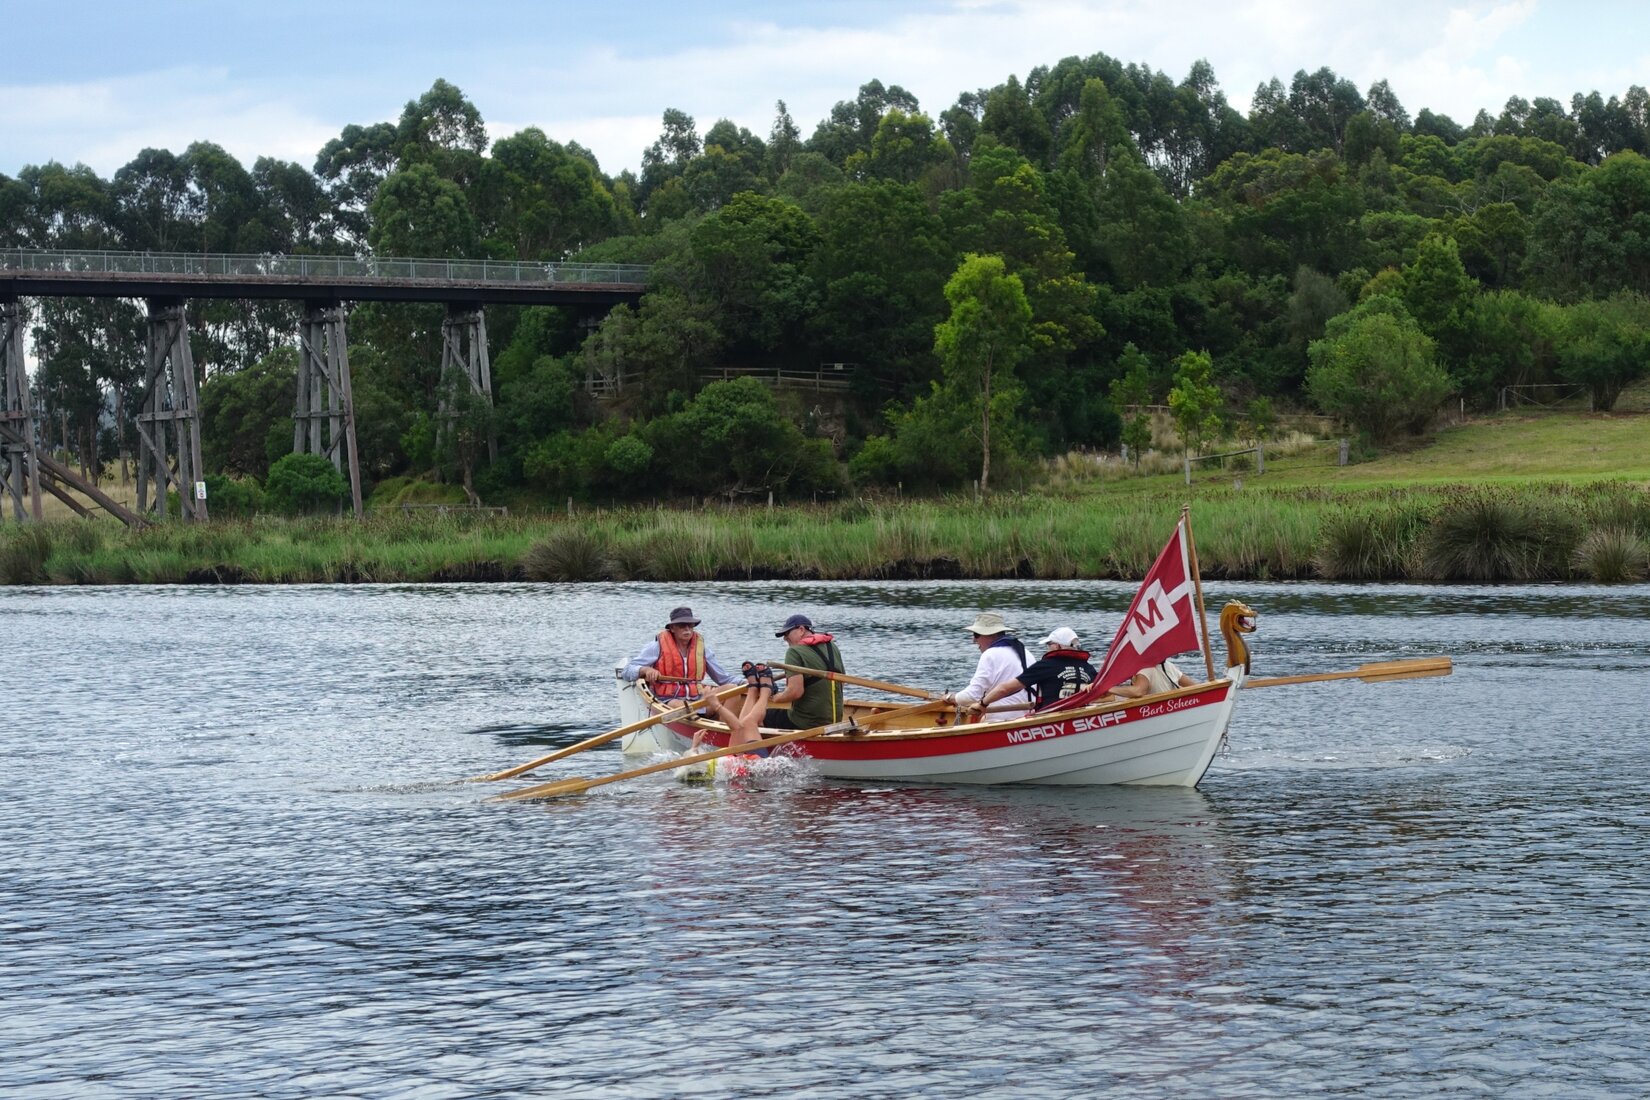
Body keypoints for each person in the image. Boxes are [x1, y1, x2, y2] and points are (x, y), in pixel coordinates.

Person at [723, 612, 846, 750]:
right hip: (835, 720)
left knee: (757, 717)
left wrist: (776, 698)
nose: (785, 638)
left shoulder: (794, 652)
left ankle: (748, 749)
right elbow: (842, 681)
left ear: (801, 629)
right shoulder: (831, 646)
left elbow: (795, 692)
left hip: (806, 723)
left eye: (787, 633)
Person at [623, 606, 741, 723]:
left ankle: (728, 728)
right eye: (682, 626)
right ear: (672, 628)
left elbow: (723, 679)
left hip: (698, 698)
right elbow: (627, 671)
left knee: (732, 689)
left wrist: (746, 682)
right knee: (683, 707)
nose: (687, 629)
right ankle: (700, 720)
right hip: (670, 700)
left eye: (690, 625)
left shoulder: (702, 649)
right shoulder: (657, 647)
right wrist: (645, 670)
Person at [978, 626, 1097, 713]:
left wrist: (983, 703)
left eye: (1049, 645)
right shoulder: (1089, 669)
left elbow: (1005, 689)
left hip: (1049, 717)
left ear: (1057, 646)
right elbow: (1104, 688)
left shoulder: (1046, 666)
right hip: (1080, 714)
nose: (1047, 648)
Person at [946, 611, 1030, 722]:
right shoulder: (1025, 652)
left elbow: (972, 696)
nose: (973, 640)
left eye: (976, 635)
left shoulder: (990, 654)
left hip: (1003, 718)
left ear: (991, 635)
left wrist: (950, 698)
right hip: (1028, 714)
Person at [1108, 655, 1198, 699]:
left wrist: (1109, 689)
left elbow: (1138, 691)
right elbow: (1194, 687)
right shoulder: (1169, 665)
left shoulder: (1145, 670)